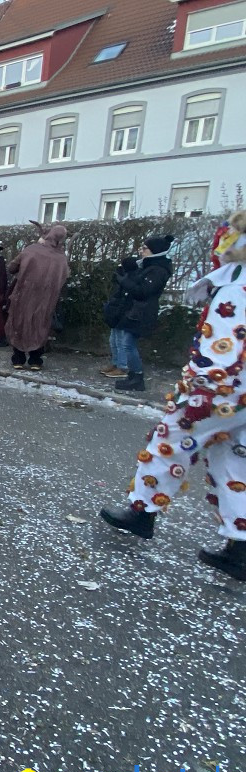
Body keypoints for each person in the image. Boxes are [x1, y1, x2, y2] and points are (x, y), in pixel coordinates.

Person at [99, 213, 246, 581]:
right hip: (235, 389)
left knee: (170, 438)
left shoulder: (237, 287)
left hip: (222, 385)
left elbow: (225, 343)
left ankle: (142, 511)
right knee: (232, 456)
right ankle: (241, 543)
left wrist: (199, 390)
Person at [102, 234, 174, 392]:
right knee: (125, 342)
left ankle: (137, 377)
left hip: (142, 312)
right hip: (135, 309)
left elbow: (143, 291)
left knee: (128, 344)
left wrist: (124, 281)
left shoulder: (158, 270)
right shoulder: (148, 266)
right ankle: (133, 376)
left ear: (154, 251)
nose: (141, 251)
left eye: (145, 248)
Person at [5, 224, 70, 369]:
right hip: (46, 299)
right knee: (40, 324)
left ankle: (18, 359)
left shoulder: (31, 250)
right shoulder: (61, 258)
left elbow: (12, 268)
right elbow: (65, 276)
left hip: (24, 294)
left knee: (20, 322)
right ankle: (35, 360)